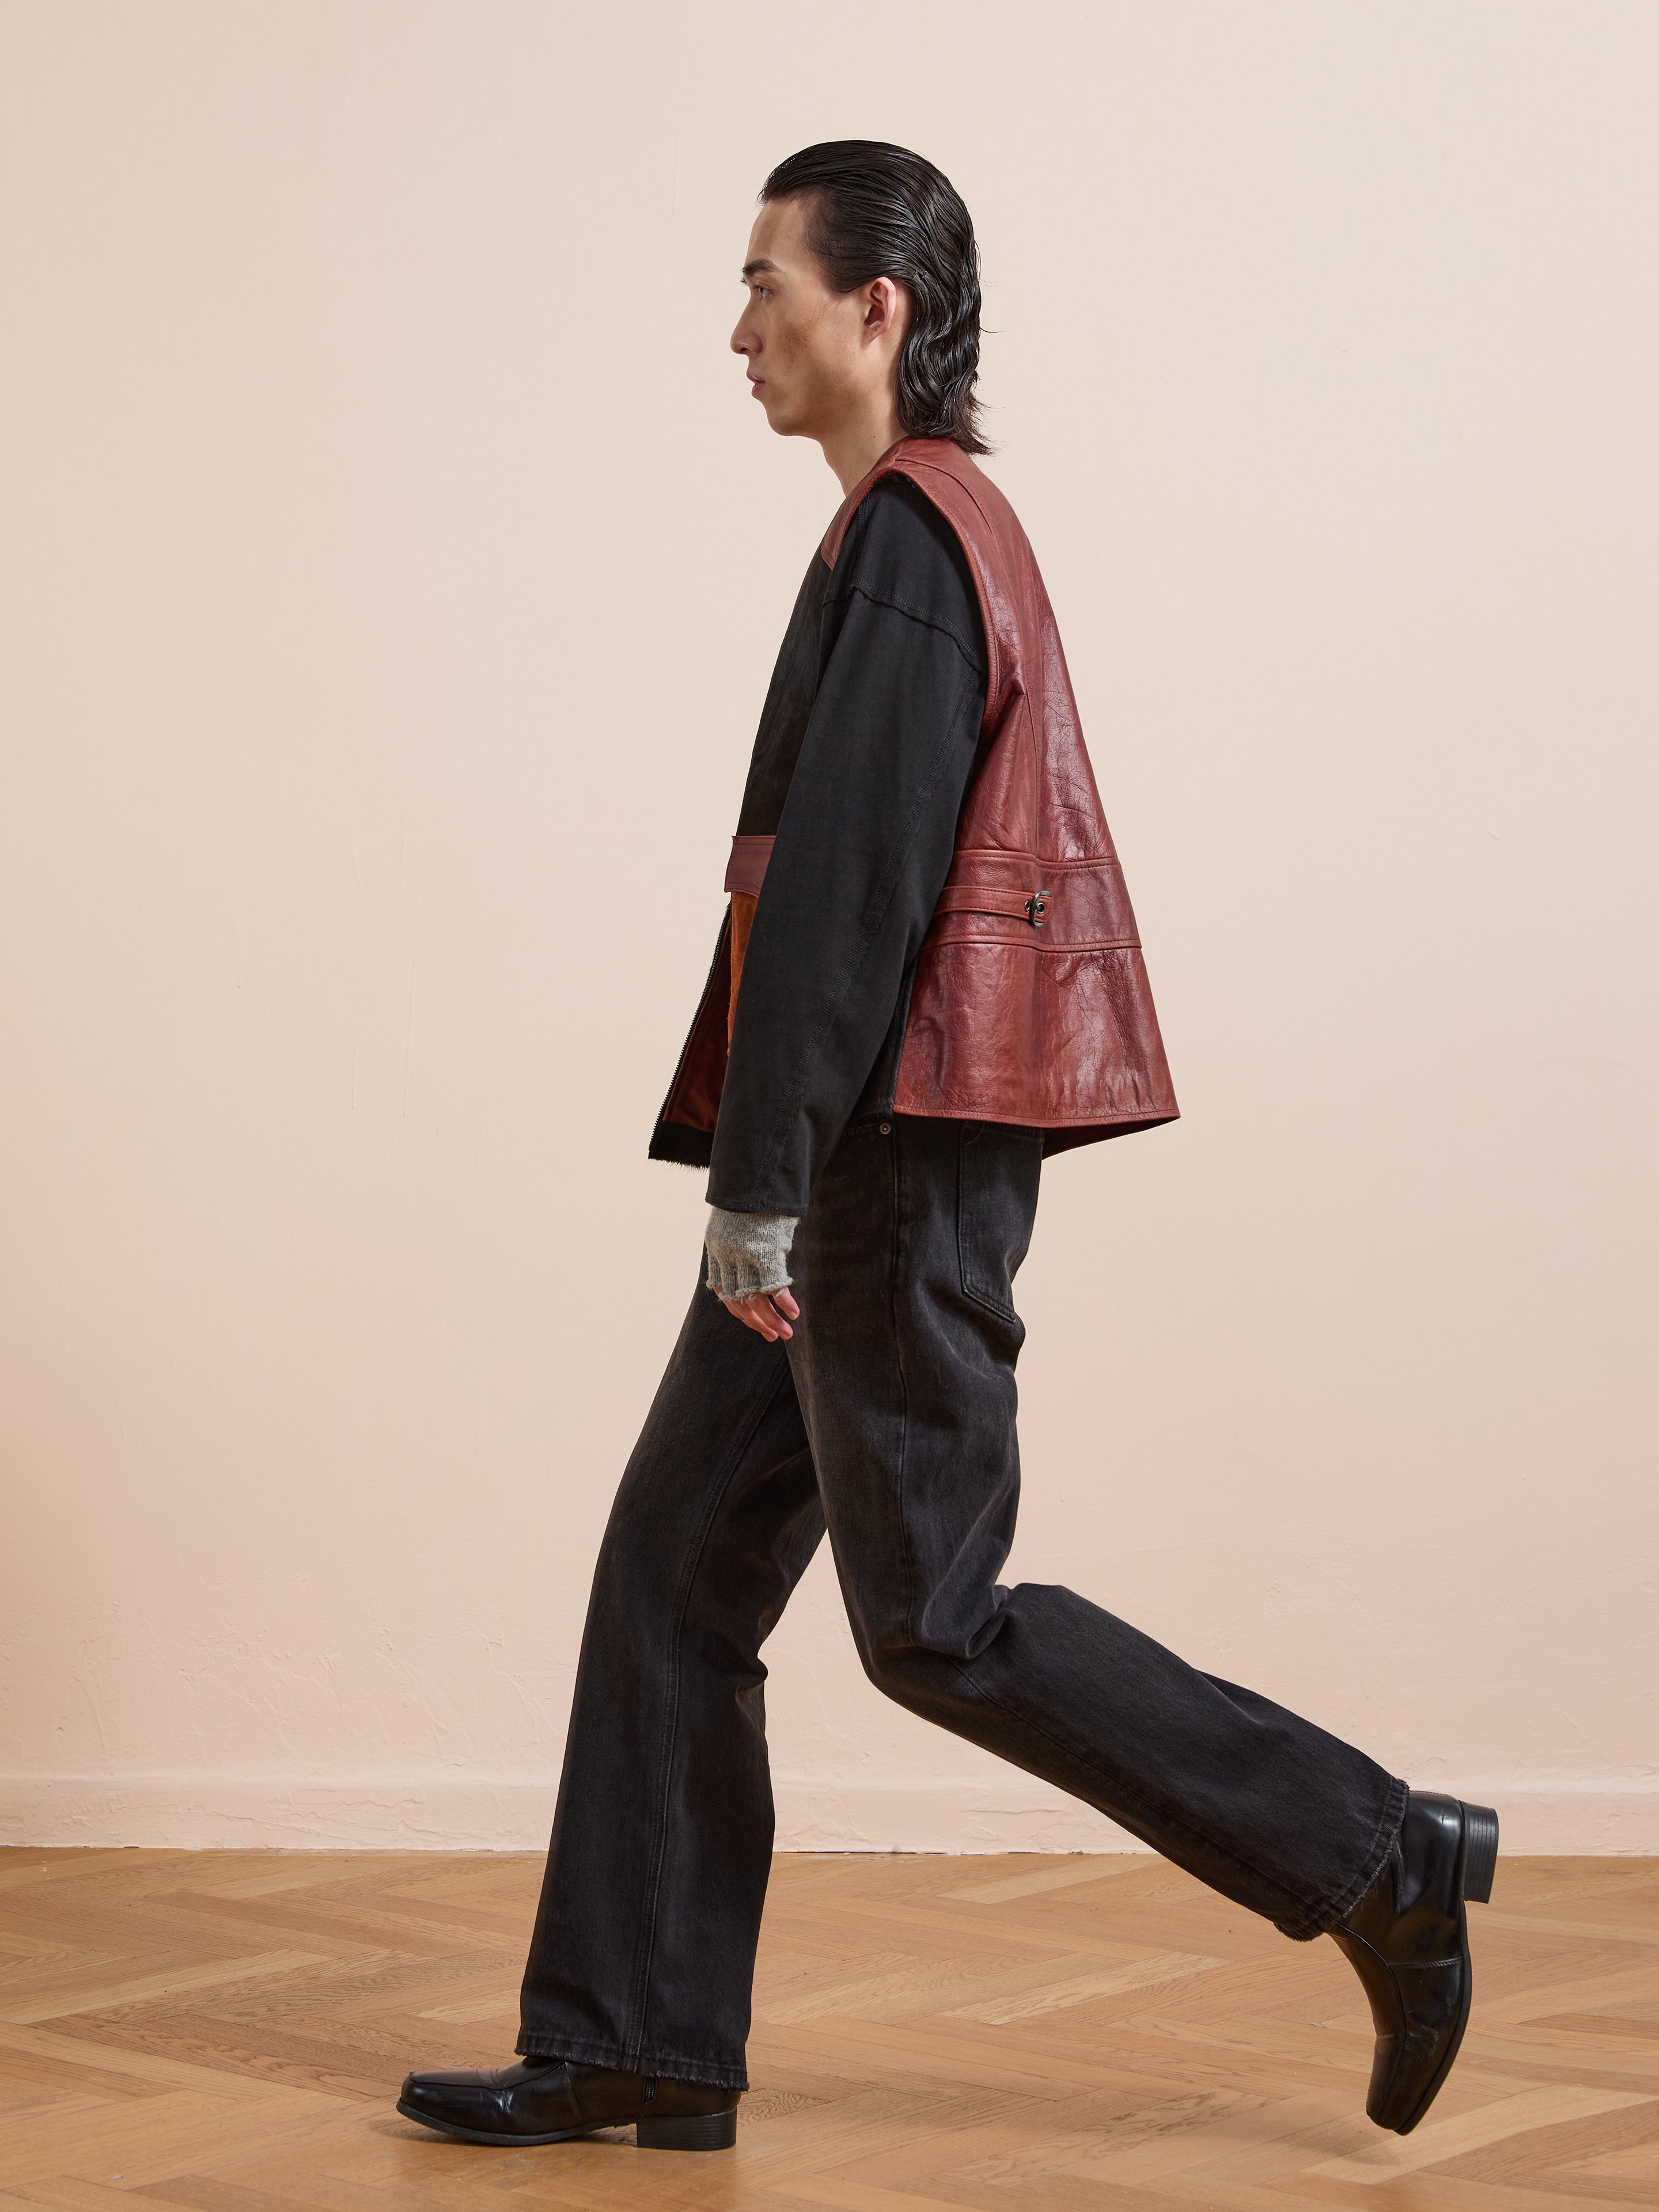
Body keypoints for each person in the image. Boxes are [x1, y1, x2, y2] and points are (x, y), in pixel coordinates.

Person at [396, 139, 1496, 2158]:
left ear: (875, 307)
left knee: (939, 1621)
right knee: (673, 1577)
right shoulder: (910, 530)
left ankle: (1378, 1852)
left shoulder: (916, 535)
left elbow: (852, 894)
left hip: (874, 1165)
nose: (740, 329)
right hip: (853, 1151)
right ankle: (633, 2038)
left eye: (766, 284)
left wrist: (760, 1188)